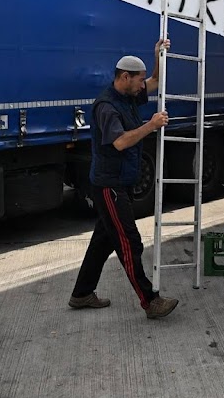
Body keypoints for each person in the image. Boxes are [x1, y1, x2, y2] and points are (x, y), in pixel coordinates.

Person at [70, 39, 179, 319]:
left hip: (122, 181)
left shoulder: (129, 96)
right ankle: (149, 301)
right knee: (129, 241)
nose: (144, 85)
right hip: (109, 185)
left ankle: (81, 294)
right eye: (139, 80)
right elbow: (119, 142)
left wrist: (158, 55)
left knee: (102, 241)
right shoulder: (107, 107)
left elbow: (156, 81)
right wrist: (151, 125)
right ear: (124, 77)